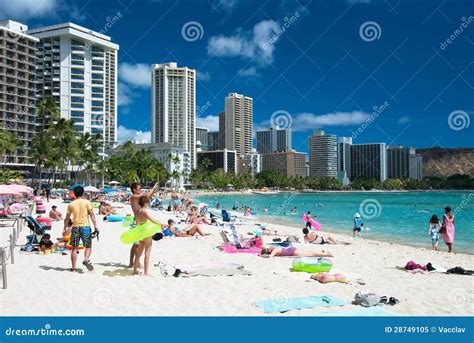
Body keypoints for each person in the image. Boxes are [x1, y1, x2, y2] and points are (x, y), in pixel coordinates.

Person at [63, 186, 99, 272]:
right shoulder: (86, 202)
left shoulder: (71, 204)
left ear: (74, 194)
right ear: (83, 193)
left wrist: (64, 228)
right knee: (88, 246)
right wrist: (95, 226)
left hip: (75, 227)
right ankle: (86, 259)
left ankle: (73, 268)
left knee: (74, 248)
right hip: (85, 227)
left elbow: (67, 218)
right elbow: (92, 215)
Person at [133, 195, 167, 276]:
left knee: (139, 253)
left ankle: (134, 270)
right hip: (147, 234)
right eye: (147, 202)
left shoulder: (138, 212)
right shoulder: (145, 212)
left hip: (140, 233)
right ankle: (146, 272)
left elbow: (137, 223)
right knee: (147, 254)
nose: (148, 204)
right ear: (145, 203)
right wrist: (163, 224)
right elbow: (153, 220)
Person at [129, 182, 158, 268]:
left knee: (136, 244)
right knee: (137, 244)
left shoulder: (138, 198)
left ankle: (132, 263)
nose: (140, 190)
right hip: (136, 222)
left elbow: (147, 198)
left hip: (138, 222)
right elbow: (144, 197)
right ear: (134, 189)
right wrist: (153, 188)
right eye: (139, 189)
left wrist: (153, 190)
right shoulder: (133, 196)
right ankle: (135, 263)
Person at [260, 245, 333, 258]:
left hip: (292, 252)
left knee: (310, 254)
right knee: (309, 252)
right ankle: (322, 252)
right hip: (291, 250)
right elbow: (265, 247)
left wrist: (262, 255)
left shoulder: (274, 251)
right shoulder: (274, 248)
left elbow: (270, 256)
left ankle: (327, 254)